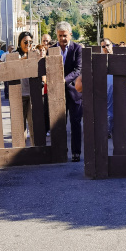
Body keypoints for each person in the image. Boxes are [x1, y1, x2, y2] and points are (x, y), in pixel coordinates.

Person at [52, 22, 83, 162]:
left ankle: (76, 152)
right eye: (60, 36)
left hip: (74, 91)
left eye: (65, 36)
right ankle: (60, 152)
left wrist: (64, 80)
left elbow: (78, 69)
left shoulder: (77, 49)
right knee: (59, 123)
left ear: (70, 34)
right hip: (57, 92)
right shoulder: (52, 49)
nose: (62, 39)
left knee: (75, 122)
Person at [15, 31, 35, 144]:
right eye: (25, 42)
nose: (28, 44)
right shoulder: (15, 54)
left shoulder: (34, 53)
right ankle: (21, 150)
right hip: (19, 94)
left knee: (33, 124)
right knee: (20, 125)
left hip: (32, 93)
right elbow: (12, 65)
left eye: (30, 42)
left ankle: (34, 148)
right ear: (20, 42)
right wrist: (26, 57)